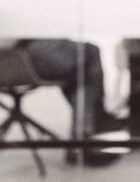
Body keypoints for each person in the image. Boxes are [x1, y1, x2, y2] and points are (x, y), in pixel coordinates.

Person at [0, 38, 127, 166]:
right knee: (88, 54)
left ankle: (86, 133)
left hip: (16, 51)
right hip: (17, 52)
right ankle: (87, 132)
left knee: (81, 68)